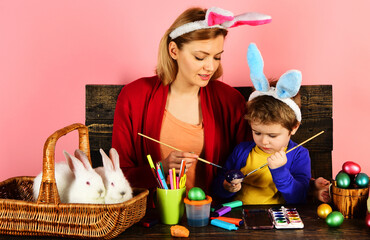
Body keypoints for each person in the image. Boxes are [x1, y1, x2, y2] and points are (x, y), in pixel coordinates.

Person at [111, 7, 272, 197]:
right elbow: (118, 176)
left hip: (216, 217)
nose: (211, 66)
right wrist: (159, 169)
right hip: (153, 219)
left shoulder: (231, 101)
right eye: (199, 57)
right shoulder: (134, 97)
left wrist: (310, 186)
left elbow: (255, 163)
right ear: (173, 51)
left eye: (217, 56)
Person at [212, 43, 311, 204]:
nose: (264, 141)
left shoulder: (299, 155)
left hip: (277, 221)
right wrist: (226, 186)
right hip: (237, 218)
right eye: (257, 132)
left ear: (294, 127)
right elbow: (217, 186)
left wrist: (280, 171)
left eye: (272, 135)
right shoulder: (241, 151)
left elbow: (298, 198)